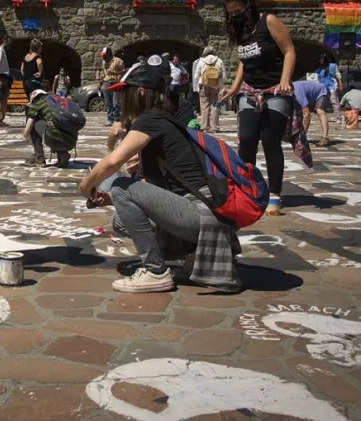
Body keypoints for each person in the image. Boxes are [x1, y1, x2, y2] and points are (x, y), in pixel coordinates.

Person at [79, 62, 241, 294]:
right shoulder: (163, 119)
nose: (122, 100)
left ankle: (155, 271)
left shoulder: (150, 120)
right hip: (207, 215)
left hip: (202, 215)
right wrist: (111, 199)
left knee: (122, 186)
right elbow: (155, 188)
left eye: (125, 93)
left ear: (141, 92)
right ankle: (193, 253)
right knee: (120, 220)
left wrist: (86, 186)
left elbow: (113, 162)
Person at [219, 0, 310, 216]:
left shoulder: (268, 21)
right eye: (231, 13)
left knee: (270, 139)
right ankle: (247, 189)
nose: (235, 16)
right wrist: (234, 88)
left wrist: (285, 81)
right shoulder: (240, 31)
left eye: (238, 11)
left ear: (248, 6)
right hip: (249, 90)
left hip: (275, 89)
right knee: (247, 139)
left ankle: (275, 194)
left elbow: (289, 51)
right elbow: (244, 62)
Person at [22, 89, 77, 168]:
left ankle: (39, 158)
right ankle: (63, 154)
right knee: (55, 126)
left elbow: (28, 128)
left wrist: (26, 135)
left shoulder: (37, 103)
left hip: (55, 138)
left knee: (34, 127)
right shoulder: (58, 101)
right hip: (71, 139)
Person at [293, 80, 331, 147]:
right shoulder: (288, 92)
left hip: (322, 91)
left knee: (319, 111)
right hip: (312, 95)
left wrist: (303, 135)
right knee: (297, 113)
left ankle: (325, 138)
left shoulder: (297, 93)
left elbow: (307, 115)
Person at [196, 46, 224, 133]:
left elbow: (196, 75)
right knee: (215, 106)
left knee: (204, 106)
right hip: (215, 86)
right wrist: (219, 84)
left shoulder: (201, 61)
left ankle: (204, 126)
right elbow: (224, 75)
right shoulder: (219, 61)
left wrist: (200, 81)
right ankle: (214, 127)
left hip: (204, 85)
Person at [316, 52, 344, 125]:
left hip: (332, 87)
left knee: (334, 102)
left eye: (322, 59)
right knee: (322, 104)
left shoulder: (333, 66)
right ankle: (323, 118)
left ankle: (338, 118)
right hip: (322, 88)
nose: (321, 60)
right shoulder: (319, 69)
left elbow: (338, 75)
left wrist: (340, 84)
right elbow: (317, 79)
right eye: (320, 59)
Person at [101, 47, 125, 125]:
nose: (103, 57)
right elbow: (105, 73)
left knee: (116, 103)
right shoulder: (103, 62)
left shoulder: (118, 61)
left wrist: (115, 73)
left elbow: (124, 72)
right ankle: (110, 120)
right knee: (108, 103)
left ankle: (116, 119)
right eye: (103, 55)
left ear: (109, 54)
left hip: (116, 83)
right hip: (107, 82)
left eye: (105, 55)